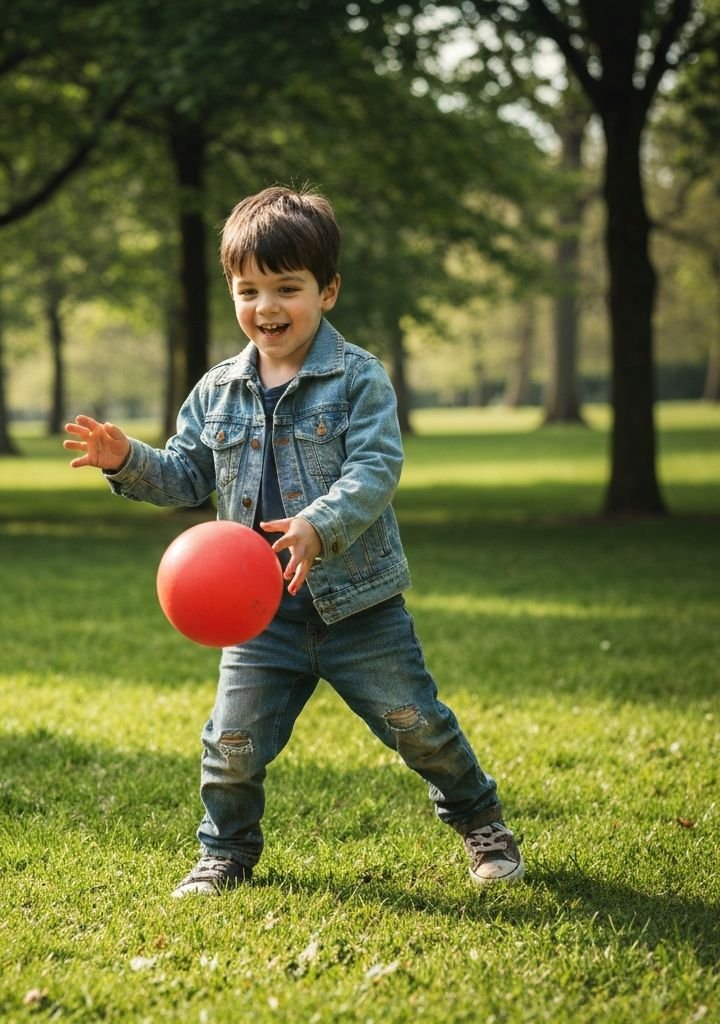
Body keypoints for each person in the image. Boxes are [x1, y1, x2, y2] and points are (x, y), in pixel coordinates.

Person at [63, 185, 524, 896]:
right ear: (231, 292)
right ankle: (225, 853)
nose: (267, 307)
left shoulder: (359, 378)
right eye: (248, 290)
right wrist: (127, 461)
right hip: (260, 615)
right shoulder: (217, 391)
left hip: (358, 608)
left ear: (327, 291)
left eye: (287, 288)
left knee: (418, 725)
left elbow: (376, 469)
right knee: (231, 744)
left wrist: (318, 523)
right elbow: (187, 475)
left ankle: (481, 823)